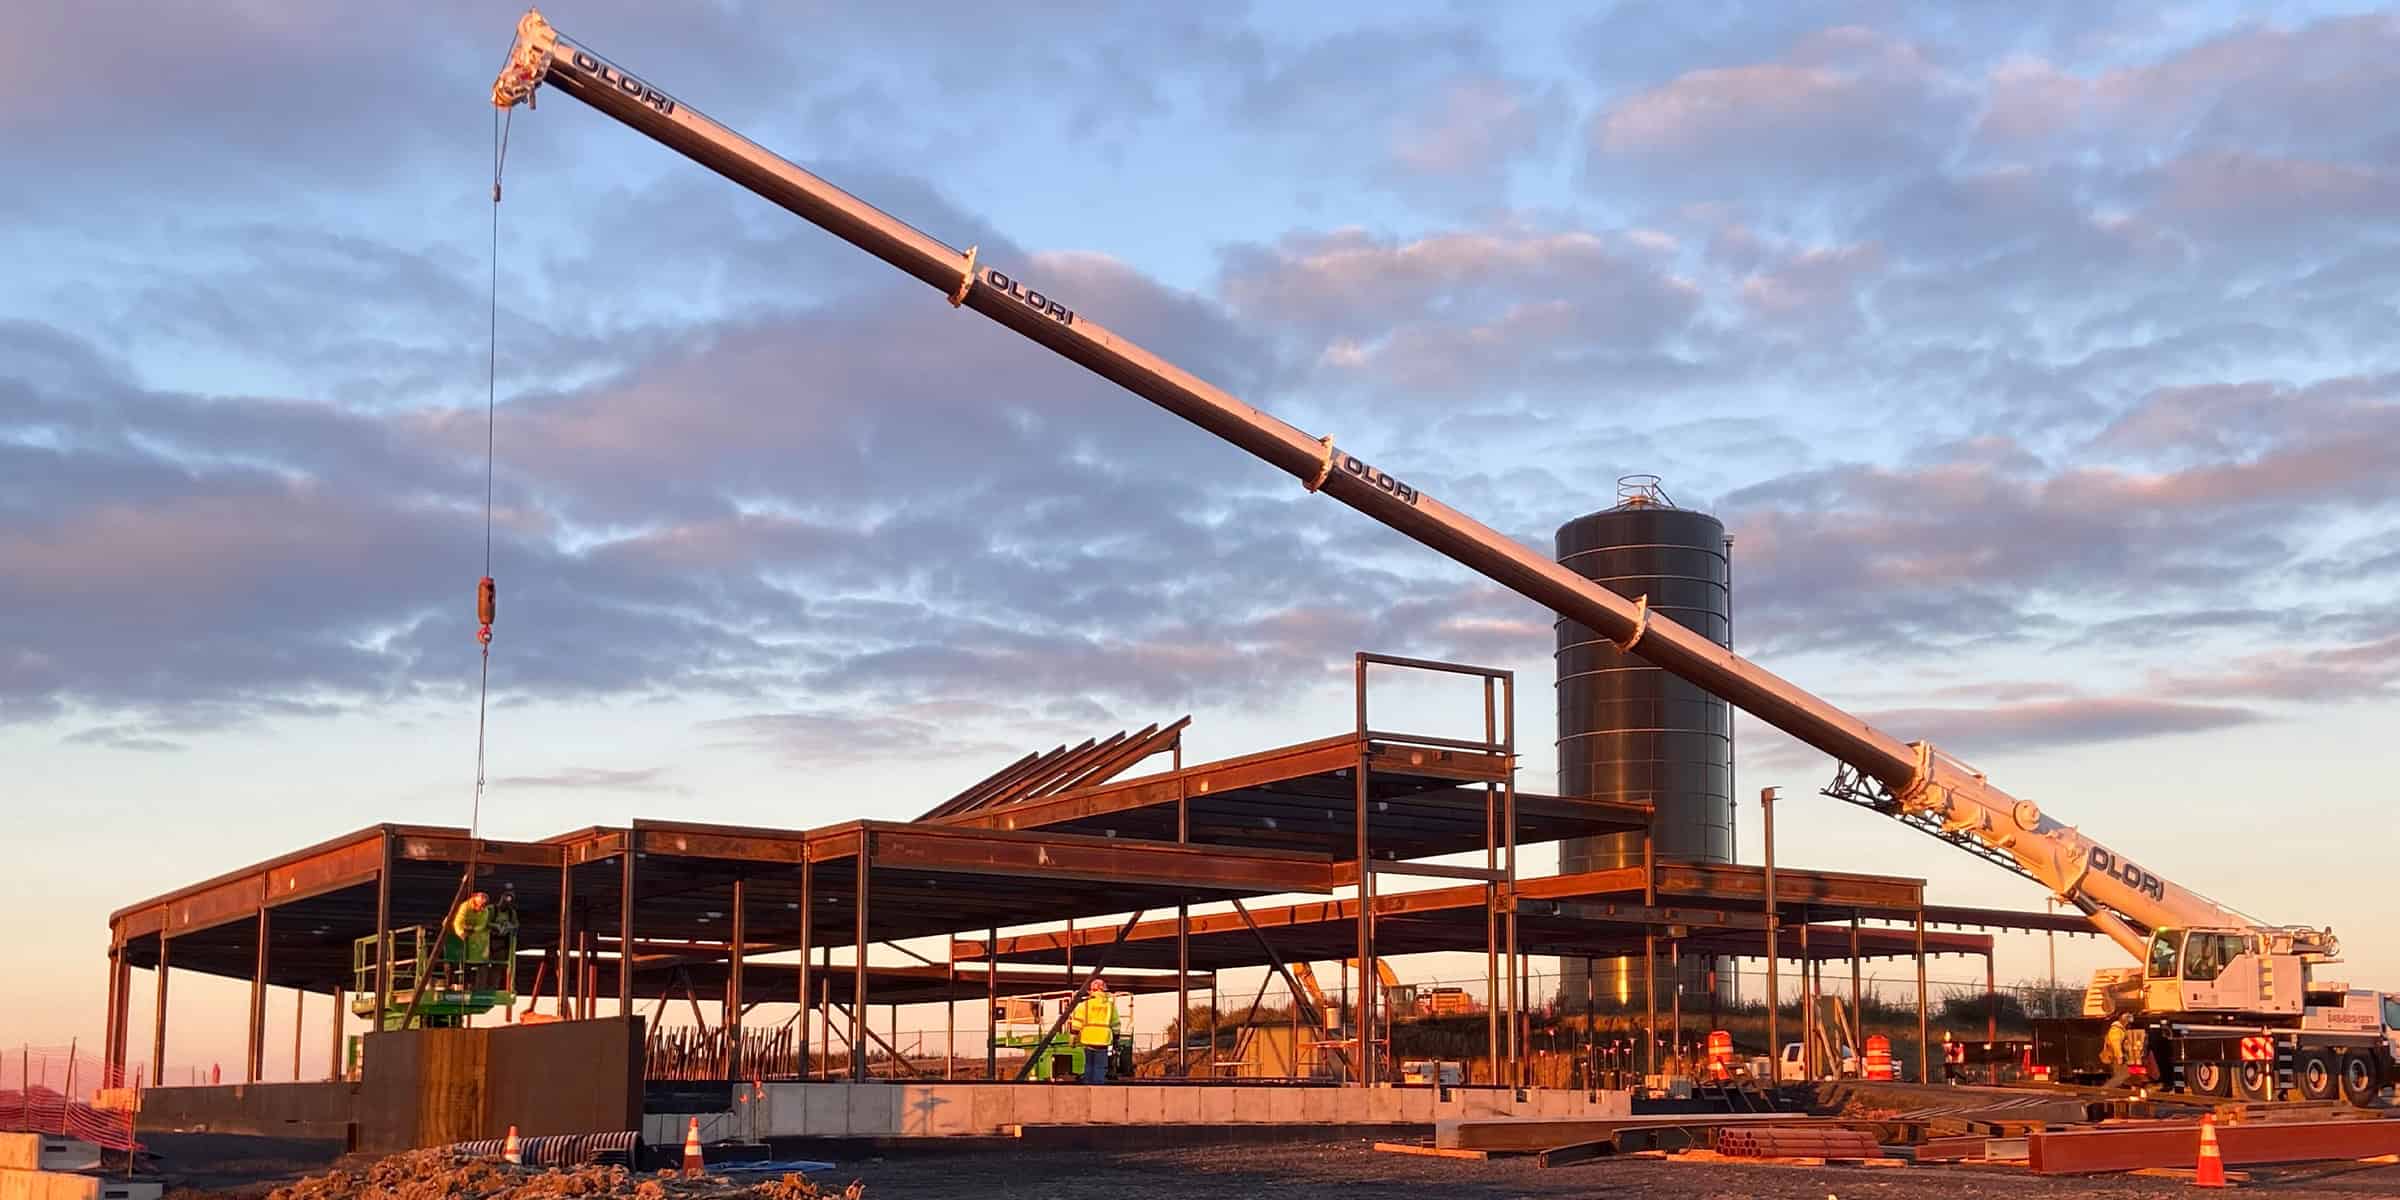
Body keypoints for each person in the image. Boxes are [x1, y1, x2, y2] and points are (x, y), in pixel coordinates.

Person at [1069, 977, 1117, 1085]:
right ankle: (1098, 1087)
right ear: (1104, 990)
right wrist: (1116, 1039)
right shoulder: (1110, 1006)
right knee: (1100, 1066)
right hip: (1103, 1040)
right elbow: (1116, 1024)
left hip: (1088, 1039)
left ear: (1092, 990)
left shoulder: (1084, 1005)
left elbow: (1076, 1023)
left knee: (1089, 1064)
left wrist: (1072, 1038)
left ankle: (1088, 1085)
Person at [2100, 1013, 2133, 1089]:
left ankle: (2111, 1090)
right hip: (2116, 1056)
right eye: (2127, 1021)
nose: (2127, 1023)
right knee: (2122, 1075)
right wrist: (2119, 1057)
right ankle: (2104, 1089)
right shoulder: (2116, 1029)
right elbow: (2116, 1043)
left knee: (2123, 1075)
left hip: (2118, 1055)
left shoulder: (2119, 1028)